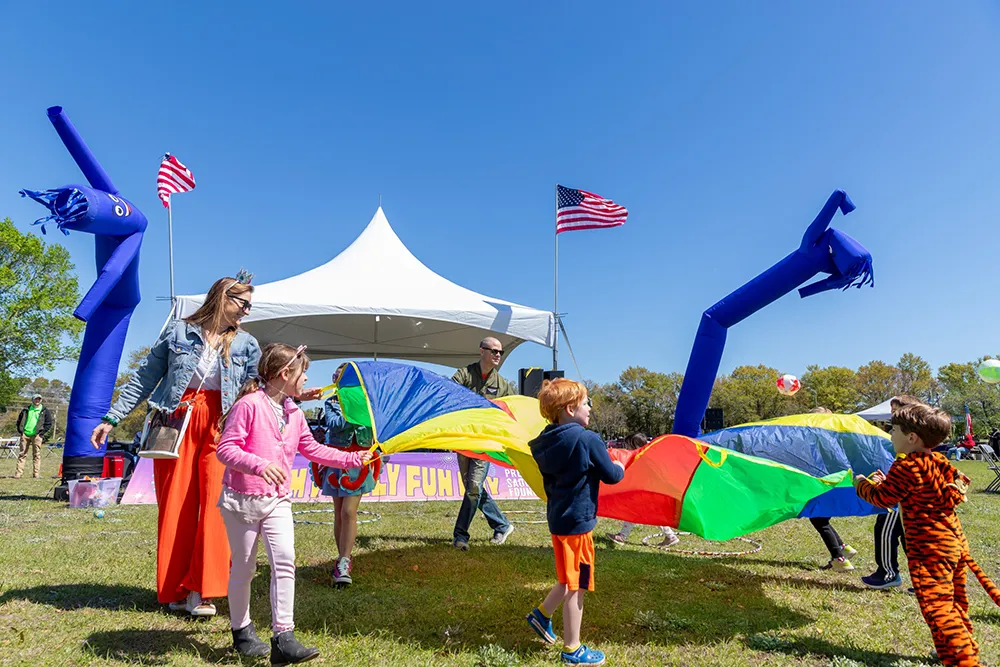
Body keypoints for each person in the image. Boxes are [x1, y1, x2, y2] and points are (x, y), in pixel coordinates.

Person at [90, 274, 264, 617]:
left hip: (223, 426)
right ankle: (173, 590)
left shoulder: (247, 343)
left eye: (249, 306)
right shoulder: (178, 332)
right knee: (176, 505)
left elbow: (257, 388)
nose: (246, 312)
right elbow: (144, 377)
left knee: (218, 506)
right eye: (242, 304)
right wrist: (112, 418)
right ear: (222, 297)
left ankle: (203, 589)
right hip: (175, 422)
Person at [216, 343, 374, 662]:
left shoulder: (294, 413)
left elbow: (313, 449)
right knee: (244, 569)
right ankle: (242, 631)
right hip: (242, 500)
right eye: (303, 372)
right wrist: (259, 465)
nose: (306, 379)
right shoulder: (249, 405)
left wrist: (354, 458)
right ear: (286, 373)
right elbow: (225, 449)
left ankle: (283, 638)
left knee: (285, 560)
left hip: (278, 501)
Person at [855, 399, 1000, 666]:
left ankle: (964, 660)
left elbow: (883, 499)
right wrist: (886, 481)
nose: (890, 434)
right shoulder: (938, 460)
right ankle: (955, 648)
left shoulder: (907, 466)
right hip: (954, 542)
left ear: (911, 437)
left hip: (929, 549)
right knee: (955, 600)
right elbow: (923, 490)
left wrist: (862, 484)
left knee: (937, 608)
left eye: (894, 430)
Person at [525, 379, 625, 666]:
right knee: (576, 585)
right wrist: (619, 465)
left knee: (566, 578)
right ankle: (573, 649)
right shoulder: (587, 439)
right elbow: (611, 475)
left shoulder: (547, 440)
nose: (590, 408)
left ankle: (542, 615)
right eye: (586, 403)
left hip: (558, 521)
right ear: (570, 408)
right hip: (579, 525)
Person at [450, 337, 517, 551]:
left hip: (485, 442)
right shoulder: (464, 374)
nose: (498, 355)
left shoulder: (502, 384)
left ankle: (461, 536)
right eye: (494, 351)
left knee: (473, 488)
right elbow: (449, 393)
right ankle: (502, 525)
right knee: (472, 488)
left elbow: (511, 410)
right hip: (463, 440)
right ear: (482, 351)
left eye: (501, 352)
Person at [318, 363, 376, 587]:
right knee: (338, 511)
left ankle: (344, 560)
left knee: (348, 511)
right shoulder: (332, 402)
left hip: (359, 459)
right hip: (336, 459)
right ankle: (342, 556)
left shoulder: (369, 402)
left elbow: (373, 426)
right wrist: (351, 410)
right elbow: (334, 424)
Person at [861, 395, 917, 590]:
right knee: (910, 540)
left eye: (896, 412)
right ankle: (925, 581)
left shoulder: (909, 441)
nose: (893, 417)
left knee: (886, 530)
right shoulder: (910, 444)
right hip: (905, 499)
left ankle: (887, 573)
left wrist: (863, 484)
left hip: (899, 502)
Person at [804, 408, 859, 572]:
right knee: (821, 519)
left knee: (818, 519)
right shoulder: (834, 438)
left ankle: (839, 558)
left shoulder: (820, 439)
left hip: (826, 484)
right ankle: (843, 548)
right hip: (834, 484)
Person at [605, 433, 680, 548]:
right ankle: (670, 536)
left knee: (634, 511)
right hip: (651, 490)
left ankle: (622, 536)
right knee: (648, 512)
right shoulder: (648, 454)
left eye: (628, 446)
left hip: (647, 491)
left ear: (636, 445)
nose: (627, 449)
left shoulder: (643, 456)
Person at [14, 394, 53, 479]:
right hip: (25, 434)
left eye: (39, 399)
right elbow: (19, 421)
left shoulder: (45, 410)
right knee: (22, 454)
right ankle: (18, 474)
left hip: (37, 436)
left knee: (36, 455)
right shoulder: (26, 410)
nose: (37, 401)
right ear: (32, 400)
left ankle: (36, 474)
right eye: (36, 399)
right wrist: (21, 431)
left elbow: (49, 423)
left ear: (41, 400)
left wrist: (41, 433)